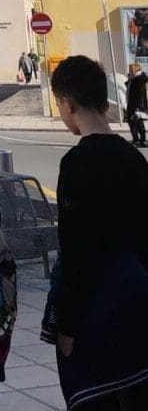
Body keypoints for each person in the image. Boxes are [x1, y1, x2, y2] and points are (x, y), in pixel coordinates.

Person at [47, 55, 148, 409]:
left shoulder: (77, 164)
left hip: (97, 310)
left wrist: (68, 325)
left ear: (67, 104)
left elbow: (77, 249)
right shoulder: (134, 158)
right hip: (137, 300)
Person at [125, 63, 147, 147]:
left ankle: (141, 140)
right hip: (131, 105)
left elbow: (140, 95)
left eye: (130, 69)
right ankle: (137, 139)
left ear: (134, 70)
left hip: (136, 106)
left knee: (138, 123)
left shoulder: (139, 80)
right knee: (133, 123)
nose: (129, 71)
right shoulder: (133, 79)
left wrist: (138, 108)